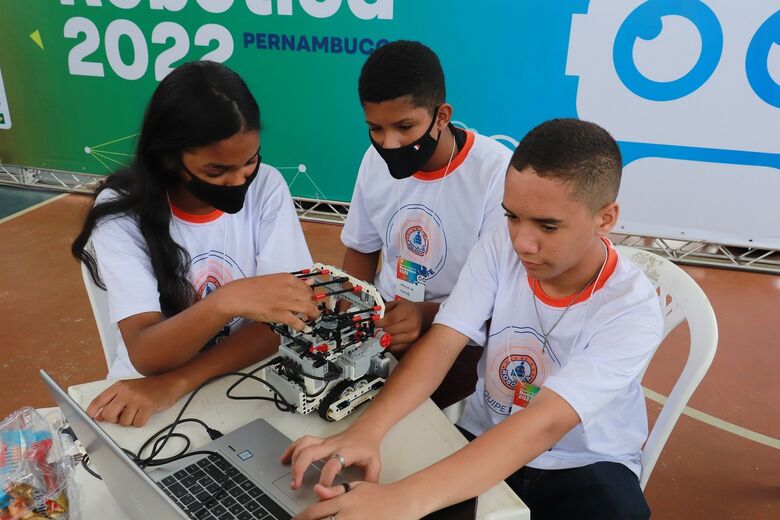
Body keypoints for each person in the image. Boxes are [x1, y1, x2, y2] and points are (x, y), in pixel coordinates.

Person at [283, 119, 663, 520]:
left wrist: (405, 499)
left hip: (584, 465)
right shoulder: (501, 244)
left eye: (548, 226)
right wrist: (366, 431)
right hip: (485, 434)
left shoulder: (631, 308)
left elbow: (545, 422)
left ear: (605, 219)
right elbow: (445, 339)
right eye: (513, 216)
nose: (522, 242)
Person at [72, 60, 319, 427]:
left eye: (249, 162)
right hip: (146, 390)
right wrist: (226, 301)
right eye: (215, 172)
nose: (238, 181)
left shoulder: (266, 187)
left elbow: (283, 323)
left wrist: (180, 381)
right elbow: (146, 353)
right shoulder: (121, 212)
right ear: (170, 159)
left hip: (240, 375)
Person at [340, 40, 512, 359]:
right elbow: (361, 249)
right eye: (375, 128)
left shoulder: (496, 173)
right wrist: (351, 308)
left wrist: (425, 315)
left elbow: (498, 294)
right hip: (386, 321)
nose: (389, 144)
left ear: (442, 117)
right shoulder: (373, 160)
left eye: (405, 127)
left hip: (464, 336)